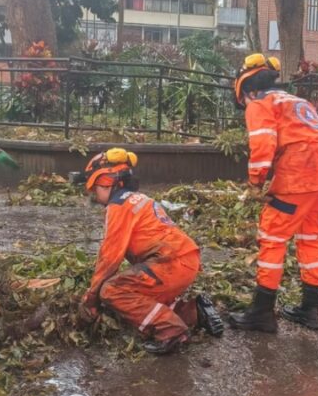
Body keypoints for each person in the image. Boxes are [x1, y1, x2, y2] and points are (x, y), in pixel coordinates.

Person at [227, 53, 318, 333]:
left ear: (248, 89)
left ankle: (262, 313)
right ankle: (310, 310)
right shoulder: (298, 101)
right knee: (310, 238)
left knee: (272, 237)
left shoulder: (259, 103)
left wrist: (255, 182)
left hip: (299, 175)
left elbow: (263, 144)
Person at [76, 148, 223, 354]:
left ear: (108, 182)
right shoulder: (139, 199)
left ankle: (171, 331)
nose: (95, 196)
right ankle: (194, 312)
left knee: (112, 291)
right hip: (184, 260)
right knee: (140, 297)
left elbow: (110, 257)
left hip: (170, 263)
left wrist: (91, 299)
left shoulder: (118, 206)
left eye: (96, 189)